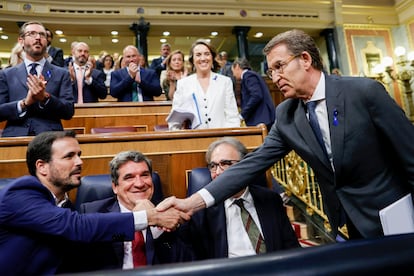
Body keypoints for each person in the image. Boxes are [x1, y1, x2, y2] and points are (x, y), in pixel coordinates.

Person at [158, 29, 414, 240]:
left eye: (280, 66)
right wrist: (191, 202)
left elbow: (410, 156)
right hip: (348, 227)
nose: (275, 77)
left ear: (305, 59)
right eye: (271, 71)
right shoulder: (287, 115)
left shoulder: (364, 93)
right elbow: (250, 165)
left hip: (396, 218)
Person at [0, 130, 189, 275]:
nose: (80, 162)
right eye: (69, 156)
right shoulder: (22, 192)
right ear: (42, 167)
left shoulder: (64, 204)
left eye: (79, 154)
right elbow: (76, 227)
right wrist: (148, 217)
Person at [67, 151, 194, 272]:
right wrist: (142, 218)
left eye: (144, 175)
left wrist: (157, 227)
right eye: (129, 177)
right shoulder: (93, 212)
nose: (139, 184)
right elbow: (84, 262)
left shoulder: (172, 213)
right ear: (115, 187)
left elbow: (186, 264)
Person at [184, 137, 300, 260]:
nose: (217, 172)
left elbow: (291, 248)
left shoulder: (270, 199)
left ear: (245, 166)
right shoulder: (202, 211)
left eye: (225, 164)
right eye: (213, 166)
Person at [0, 21, 74, 137]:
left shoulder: (62, 74)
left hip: (51, 138)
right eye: (32, 34)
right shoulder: (6, 74)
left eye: (42, 34)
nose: (38, 38)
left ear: (47, 41)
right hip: (15, 136)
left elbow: (68, 112)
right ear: (21, 40)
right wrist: (24, 103)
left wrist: (45, 98)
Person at [167, 39, 240, 130]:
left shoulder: (225, 82)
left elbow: (232, 118)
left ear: (212, 58)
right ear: (192, 60)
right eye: (198, 55)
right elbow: (174, 122)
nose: (203, 58)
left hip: (221, 140)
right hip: (193, 141)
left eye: (207, 54)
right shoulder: (183, 84)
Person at [231, 57, 275, 131]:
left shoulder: (248, 76)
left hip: (261, 119)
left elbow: (256, 95)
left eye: (233, 71)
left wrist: (243, 114)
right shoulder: (251, 75)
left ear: (237, 66)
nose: (233, 75)